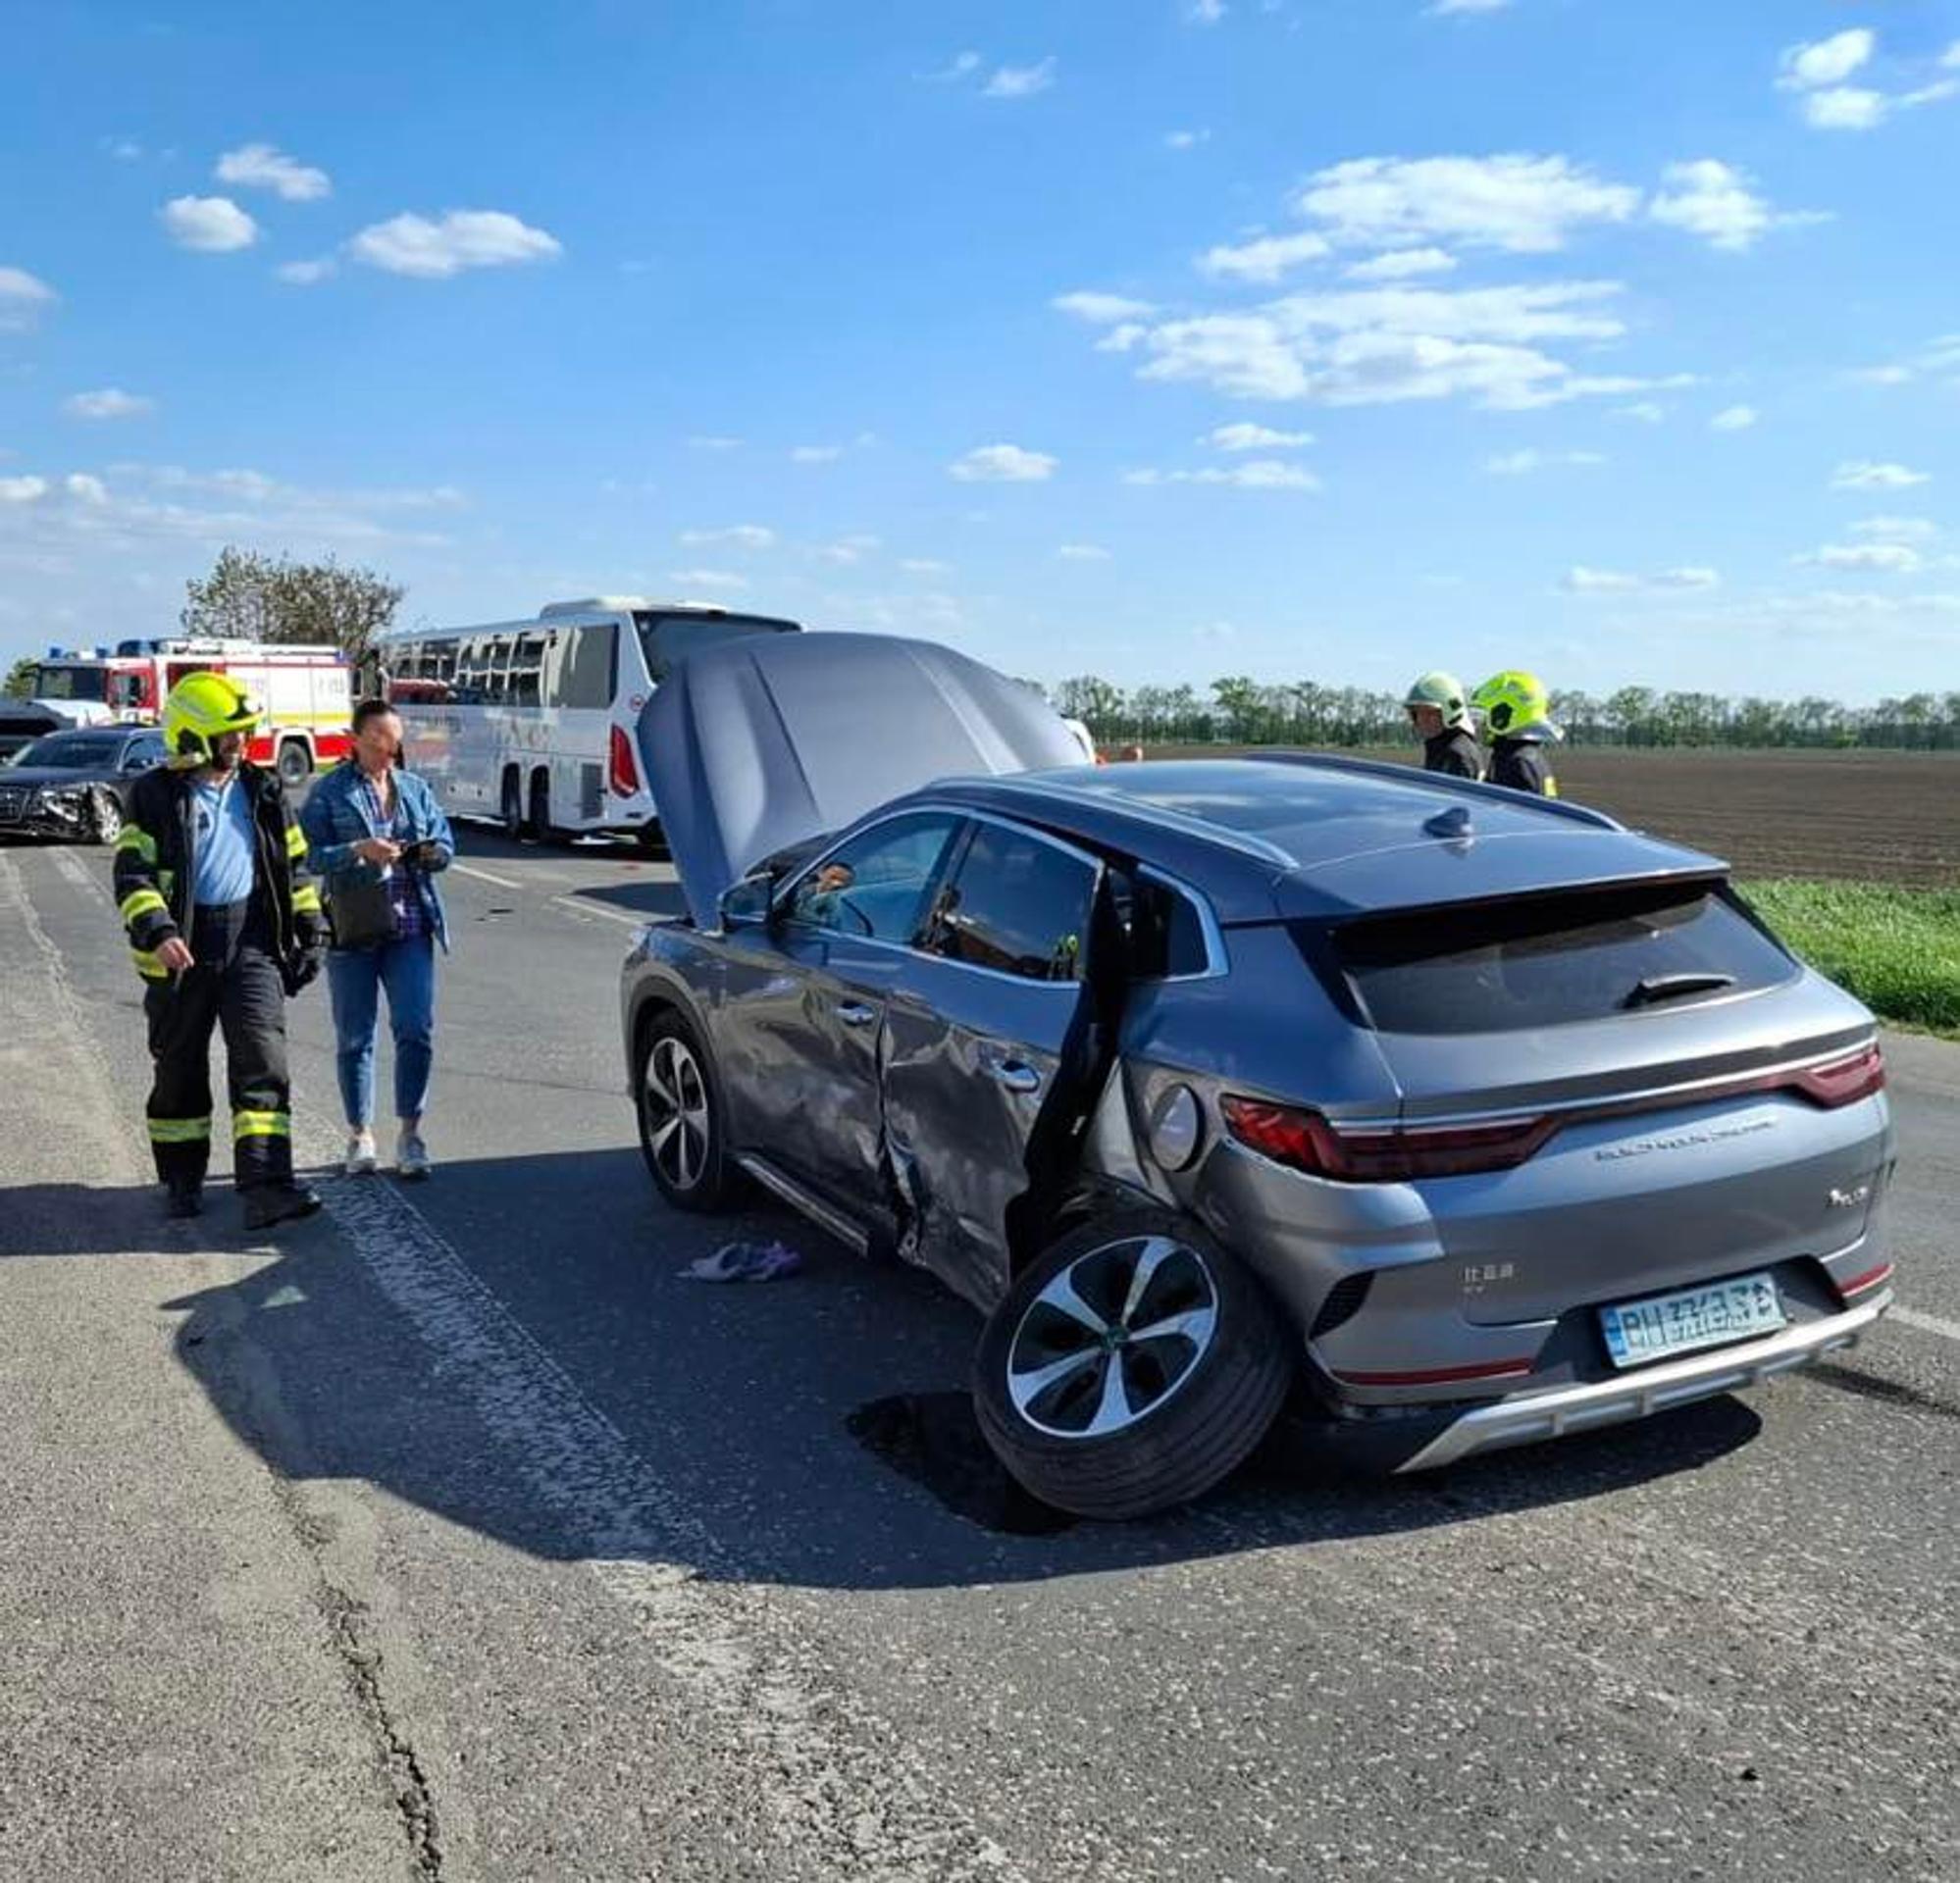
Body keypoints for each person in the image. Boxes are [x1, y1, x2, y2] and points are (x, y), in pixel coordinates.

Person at [113, 671, 326, 1227]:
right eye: (230, 734)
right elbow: (132, 874)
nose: (241, 743)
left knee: (263, 1061)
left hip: (251, 944)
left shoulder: (263, 788)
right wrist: (159, 932)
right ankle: (182, 1180)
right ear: (191, 735)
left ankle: (266, 1187)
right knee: (179, 1070)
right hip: (181, 951)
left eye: (243, 732)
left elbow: (293, 863)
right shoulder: (154, 795)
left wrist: (310, 921)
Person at [300, 699, 455, 1179]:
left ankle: (410, 1134)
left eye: (396, 741)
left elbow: (447, 845)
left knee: (415, 1028)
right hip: (355, 928)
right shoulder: (329, 793)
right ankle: (360, 1134)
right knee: (355, 1036)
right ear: (358, 740)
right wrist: (357, 850)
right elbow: (308, 856)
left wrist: (429, 853)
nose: (391, 750)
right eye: (381, 741)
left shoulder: (413, 789)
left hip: (410, 926)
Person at [1470, 670, 1563, 796]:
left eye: (1487, 715)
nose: (1482, 724)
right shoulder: (1526, 756)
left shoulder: (1518, 763)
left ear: (1505, 715)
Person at [1402, 671, 1484, 779]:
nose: (1422, 720)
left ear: (1450, 712)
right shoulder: (1441, 748)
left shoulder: (1457, 755)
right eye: (1418, 713)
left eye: (1430, 713)